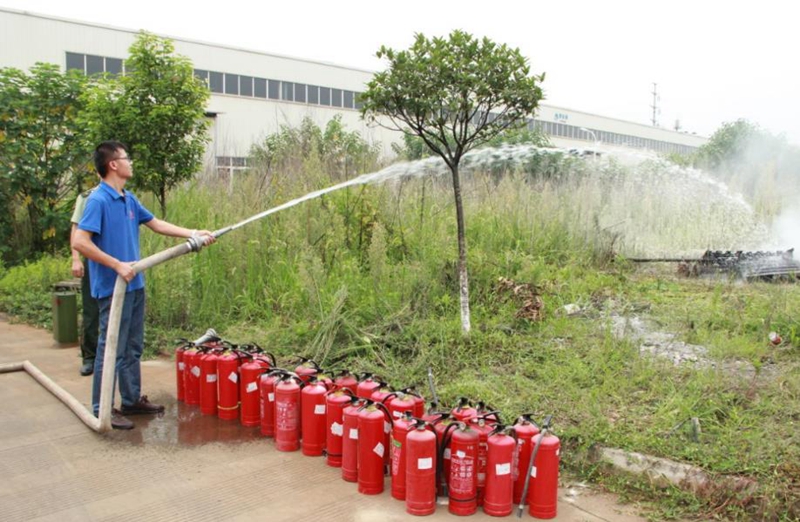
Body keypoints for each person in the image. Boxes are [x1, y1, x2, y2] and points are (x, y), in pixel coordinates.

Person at [72, 141, 215, 430]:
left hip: (135, 284)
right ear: (113, 164)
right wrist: (116, 264)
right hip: (113, 287)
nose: (131, 162)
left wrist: (194, 233)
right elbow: (79, 241)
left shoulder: (128, 199)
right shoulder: (98, 200)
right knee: (110, 347)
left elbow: (157, 224)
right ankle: (103, 409)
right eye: (126, 158)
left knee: (132, 346)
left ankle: (131, 400)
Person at [70, 186, 99, 376]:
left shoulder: (124, 197)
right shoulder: (89, 197)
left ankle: (112, 357)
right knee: (91, 311)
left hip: (118, 262)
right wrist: (76, 258)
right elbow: (76, 228)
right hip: (93, 261)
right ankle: (89, 357)